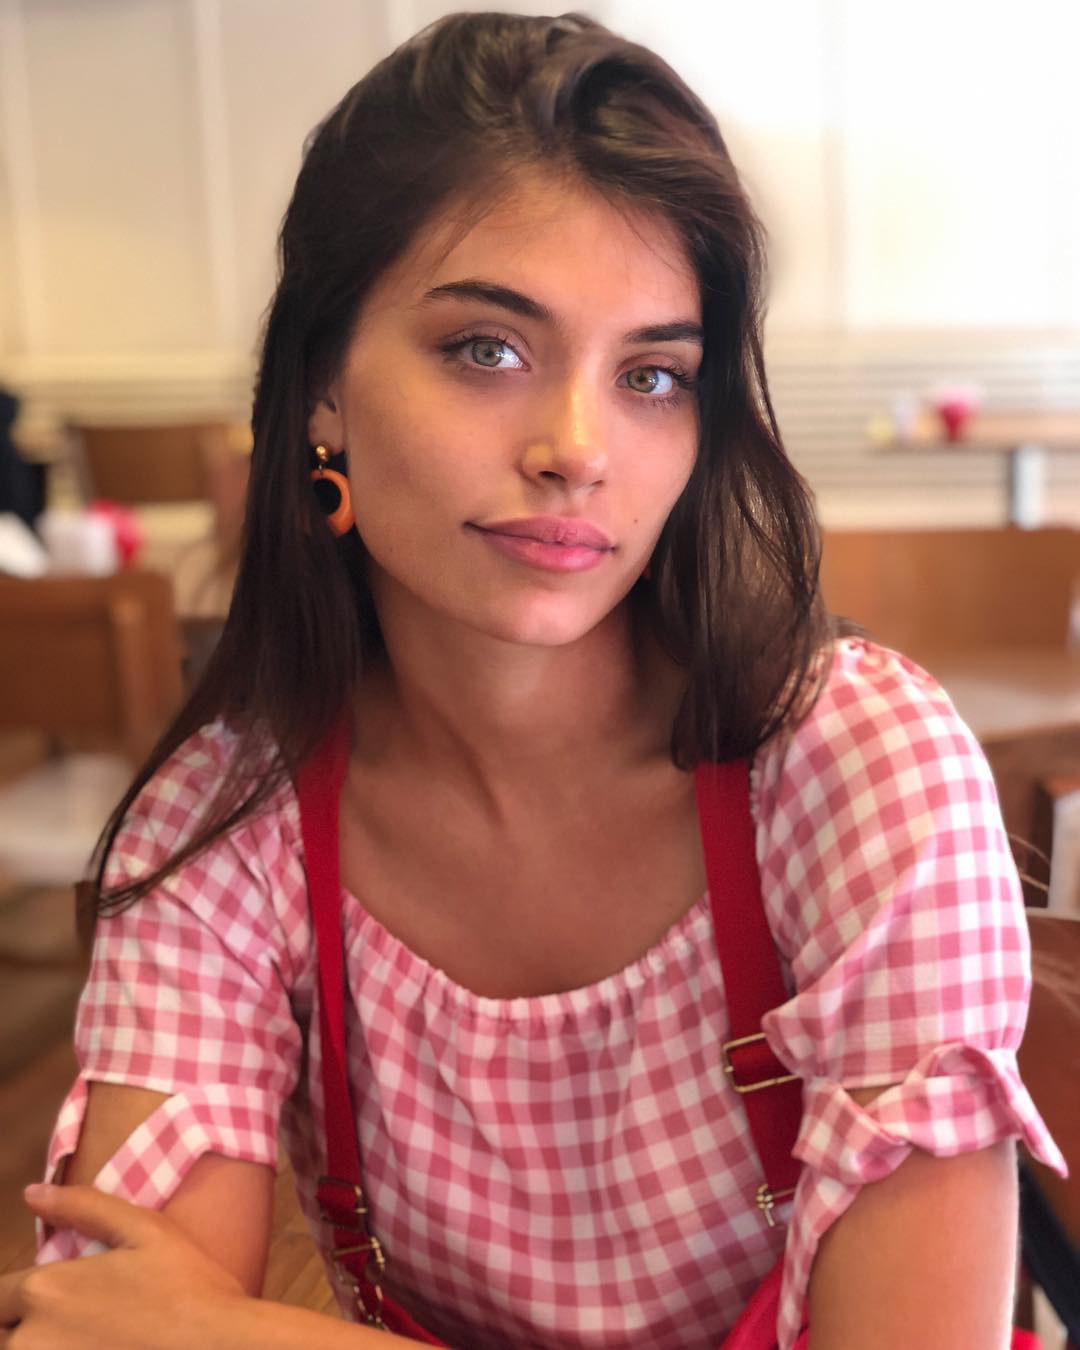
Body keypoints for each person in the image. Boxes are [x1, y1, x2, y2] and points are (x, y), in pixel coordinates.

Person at [0, 11, 1066, 1349]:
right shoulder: (226, 825)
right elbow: (109, 1328)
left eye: (653, 375)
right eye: (486, 350)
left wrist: (251, 1335)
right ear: (322, 386)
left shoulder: (859, 767)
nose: (577, 447)